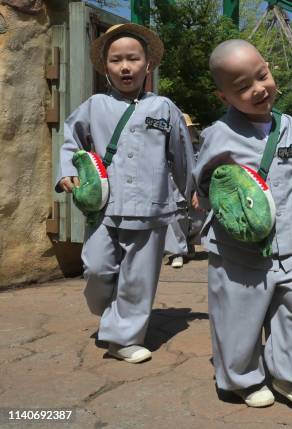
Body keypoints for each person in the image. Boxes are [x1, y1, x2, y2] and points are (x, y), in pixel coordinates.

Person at [192, 39, 292, 409]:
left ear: (269, 68)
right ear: (224, 98)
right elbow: (202, 182)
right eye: (243, 88)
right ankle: (241, 379)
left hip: (288, 244)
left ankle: (290, 375)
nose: (258, 89)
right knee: (239, 314)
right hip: (239, 249)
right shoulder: (218, 135)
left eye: (262, 76)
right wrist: (204, 201)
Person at [56, 23, 193, 363]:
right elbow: (71, 142)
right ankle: (112, 313)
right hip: (105, 205)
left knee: (138, 277)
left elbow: (182, 155)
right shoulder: (94, 105)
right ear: (106, 68)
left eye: (133, 59)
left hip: (151, 207)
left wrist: (192, 192)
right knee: (97, 268)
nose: (125, 66)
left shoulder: (165, 108)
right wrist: (68, 172)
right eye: (116, 60)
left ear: (148, 65)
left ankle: (124, 339)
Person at [165, 114, 204, 268]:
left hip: (194, 187)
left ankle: (189, 243)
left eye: (188, 129)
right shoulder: (168, 148)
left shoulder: (197, 148)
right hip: (173, 187)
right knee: (177, 218)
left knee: (197, 220)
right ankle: (177, 252)